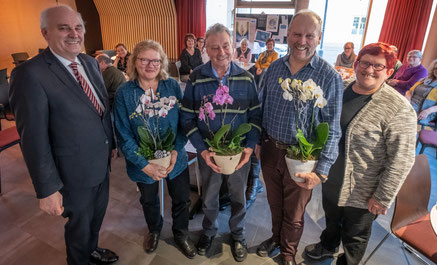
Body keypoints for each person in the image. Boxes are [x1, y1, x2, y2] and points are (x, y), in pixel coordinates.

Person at [9, 5, 119, 265]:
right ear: (45, 33)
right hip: (71, 172)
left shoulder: (90, 63)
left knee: (96, 216)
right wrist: (47, 189)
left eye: (78, 27)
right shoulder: (29, 74)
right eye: (64, 28)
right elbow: (32, 138)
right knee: (78, 226)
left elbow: (100, 110)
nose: (74, 34)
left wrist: (111, 144)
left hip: (100, 163)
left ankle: (92, 250)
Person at [304, 42, 417, 265]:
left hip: (364, 190)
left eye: (378, 66)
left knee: (355, 235)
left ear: (389, 72)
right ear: (356, 64)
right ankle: (327, 246)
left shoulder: (399, 109)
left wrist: (383, 196)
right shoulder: (340, 88)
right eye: (365, 63)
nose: (369, 70)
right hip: (330, 176)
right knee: (331, 218)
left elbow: (401, 160)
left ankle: (347, 261)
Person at [256, 10, 343, 265]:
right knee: (274, 204)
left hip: (302, 158)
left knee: (294, 213)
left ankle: (287, 253)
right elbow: (262, 108)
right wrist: (259, 142)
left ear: (319, 37)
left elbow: (332, 126)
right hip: (271, 150)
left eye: (309, 35)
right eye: (296, 34)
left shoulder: (329, 76)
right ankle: (274, 238)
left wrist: (322, 169)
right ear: (288, 34)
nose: (301, 40)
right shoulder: (273, 68)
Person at [180, 23, 262, 262]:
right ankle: (209, 231)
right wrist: (203, 151)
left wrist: (248, 148)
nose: (221, 52)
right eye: (214, 47)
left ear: (233, 46)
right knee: (209, 197)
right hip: (210, 154)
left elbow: (256, 116)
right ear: (206, 48)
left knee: (239, 196)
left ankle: (238, 234)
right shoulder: (197, 77)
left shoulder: (246, 78)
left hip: (239, 154)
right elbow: (187, 117)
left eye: (225, 45)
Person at [113, 40, 197, 259]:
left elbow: (183, 122)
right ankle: (154, 230)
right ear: (135, 62)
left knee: (181, 197)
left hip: (174, 157)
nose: (151, 65)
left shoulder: (171, 86)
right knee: (149, 200)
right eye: (145, 60)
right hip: (143, 162)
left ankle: (181, 233)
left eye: (156, 60)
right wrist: (144, 165)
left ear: (162, 63)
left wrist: (177, 150)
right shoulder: (124, 93)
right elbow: (123, 133)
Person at [406, 58, 437, 125]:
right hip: (410, 104)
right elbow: (409, 91)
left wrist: (428, 111)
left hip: (426, 110)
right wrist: (407, 101)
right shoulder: (424, 79)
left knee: (401, 116)